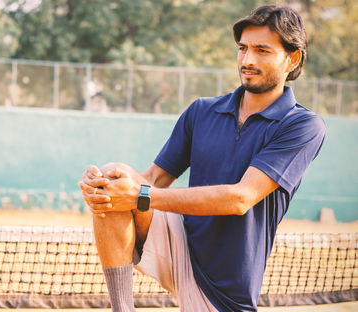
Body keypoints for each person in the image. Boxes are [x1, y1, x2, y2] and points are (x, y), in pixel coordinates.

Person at [79, 5, 326, 312]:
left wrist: (139, 195)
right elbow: (153, 181)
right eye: (243, 48)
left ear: (293, 59)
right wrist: (106, 187)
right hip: (179, 246)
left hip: (226, 291)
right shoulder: (202, 111)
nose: (247, 60)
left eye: (263, 50)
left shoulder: (301, 126)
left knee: (134, 193)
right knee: (114, 175)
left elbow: (239, 199)